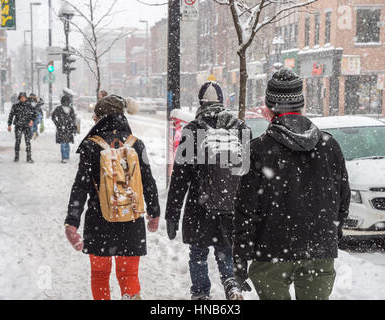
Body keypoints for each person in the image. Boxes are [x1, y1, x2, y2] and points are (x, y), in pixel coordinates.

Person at [233, 67, 351, 300]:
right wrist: (330, 233)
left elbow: (244, 210)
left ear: (269, 108)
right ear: (301, 104)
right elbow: (342, 199)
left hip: (271, 252)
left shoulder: (257, 150)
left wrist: (239, 259)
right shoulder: (329, 146)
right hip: (319, 250)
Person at [64, 94, 160, 300]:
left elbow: (80, 186)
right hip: (132, 220)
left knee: (99, 275)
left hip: (100, 221)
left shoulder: (91, 145)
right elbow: (148, 182)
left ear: (101, 118)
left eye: (95, 116)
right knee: (129, 273)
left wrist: (72, 222)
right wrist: (154, 213)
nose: (93, 119)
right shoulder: (136, 144)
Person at [165, 81, 250, 300]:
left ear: (201, 102)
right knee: (226, 251)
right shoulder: (240, 128)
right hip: (230, 206)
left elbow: (180, 178)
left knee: (199, 254)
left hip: (199, 206)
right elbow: (249, 176)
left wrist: (172, 213)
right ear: (222, 101)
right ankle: (231, 286)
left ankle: (201, 295)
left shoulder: (193, 130)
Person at [8, 92, 37, 163]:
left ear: (26, 98)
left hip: (27, 126)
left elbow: (34, 114)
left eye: (24, 97)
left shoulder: (30, 106)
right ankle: (16, 157)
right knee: (18, 141)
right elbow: (11, 115)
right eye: (21, 97)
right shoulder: (15, 106)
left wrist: (31, 121)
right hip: (18, 125)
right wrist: (9, 125)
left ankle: (29, 158)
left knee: (28, 142)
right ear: (19, 98)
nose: (22, 98)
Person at [52, 96, 77, 163]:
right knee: (63, 143)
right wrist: (58, 124)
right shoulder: (59, 109)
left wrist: (74, 127)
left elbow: (73, 119)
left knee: (67, 144)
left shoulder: (71, 109)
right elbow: (53, 117)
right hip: (61, 129)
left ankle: (67, 157)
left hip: (69, 129)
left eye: (67, 101)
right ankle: (64, 158)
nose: (66, 102)